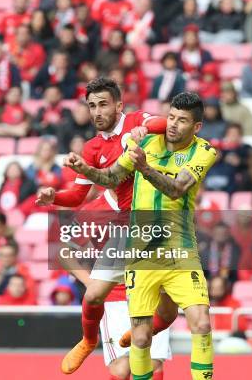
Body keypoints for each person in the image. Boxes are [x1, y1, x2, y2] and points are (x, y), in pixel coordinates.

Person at [68, 92, 217, 380]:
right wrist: (86, 170)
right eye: (171, 117)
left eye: (182, 120)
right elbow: (111, 178)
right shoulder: (144, 142)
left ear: (196, 127)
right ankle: (89, 340)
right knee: (140, 339)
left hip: (179, 251)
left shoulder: (204, 151)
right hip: (140, 254)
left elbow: (177, 188)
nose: (173, 124)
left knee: (201, 324)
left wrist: (144, 166)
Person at [35, 78, 170, 375]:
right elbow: (77, 196)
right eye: (91, 106)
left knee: (153, 363)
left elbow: (166, 122)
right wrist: (54, 196)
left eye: (103, 104)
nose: (97, 112)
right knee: (95, 299)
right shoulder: (93, 148)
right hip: (127, 234)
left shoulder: (136, 120)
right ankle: (87, 340)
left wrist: (145, 129)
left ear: (119, 105)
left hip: (156, 228)